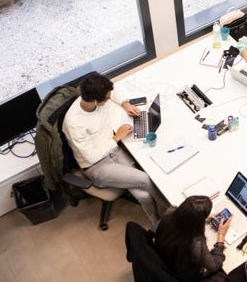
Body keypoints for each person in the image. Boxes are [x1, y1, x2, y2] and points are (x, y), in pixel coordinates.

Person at [62, 72, 169, 225]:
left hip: (114, 150)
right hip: (97, 166)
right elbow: (91, 157)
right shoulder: (74, 123)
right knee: (144, 179)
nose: (109, 98)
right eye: (107, 98)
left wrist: (125, 104)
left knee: (143, 195)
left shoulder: (93, 96)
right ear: (94, 101)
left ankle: (155, 222)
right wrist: (117, 137)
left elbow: (114, 91)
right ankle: (176, 211)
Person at [154, 196, 232, 282]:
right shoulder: (196, 242)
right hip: (183, 274)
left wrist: (200, 218)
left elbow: (184, 219)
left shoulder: (169, 213)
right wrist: (221, 236)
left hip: (166, 260)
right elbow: (213, 265)